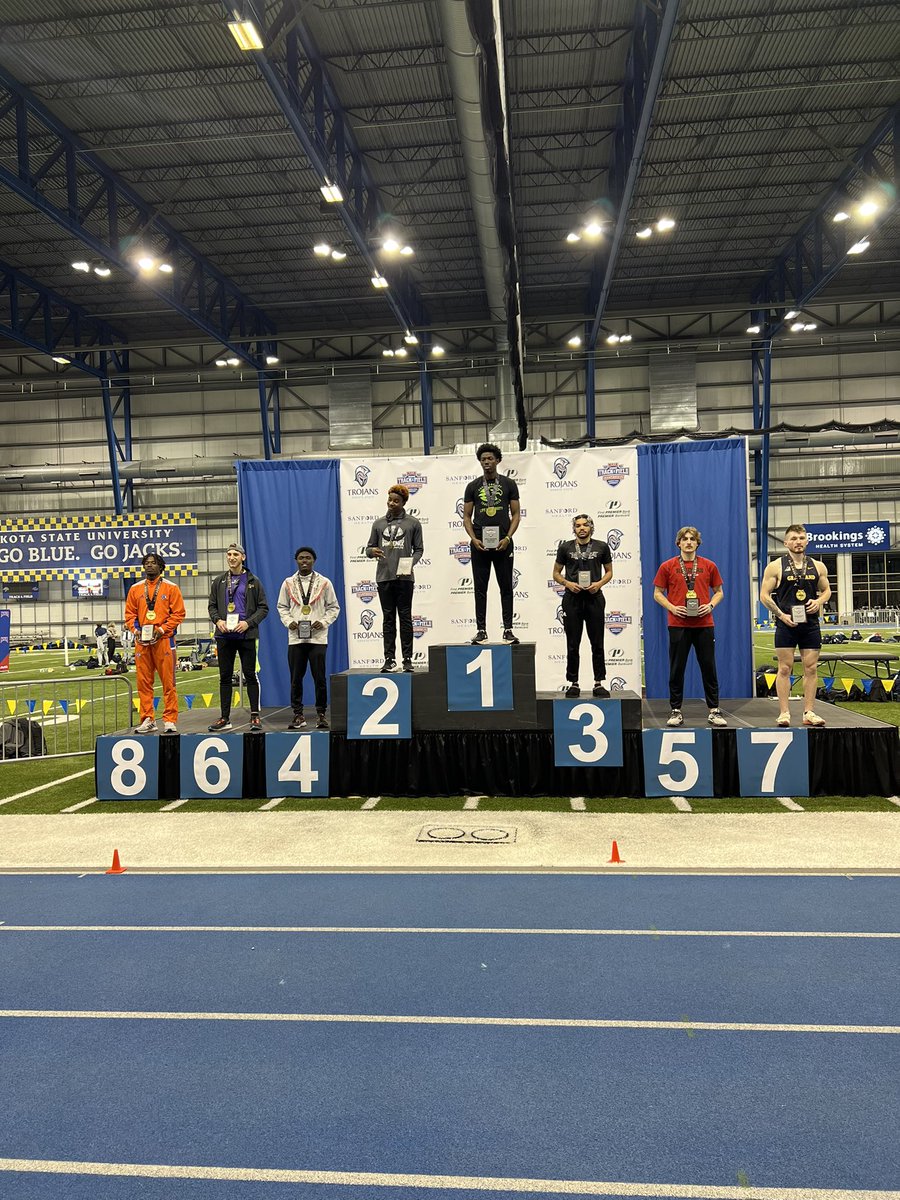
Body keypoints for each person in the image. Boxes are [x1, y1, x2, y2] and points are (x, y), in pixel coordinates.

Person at [653, 526, 727, 727]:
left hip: (704, 623)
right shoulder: (667, 566)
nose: (688, 542)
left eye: (692, 539)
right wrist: (672, 608)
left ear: (697, 543)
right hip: (678, 624)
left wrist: (710, 605)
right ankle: (675, 710)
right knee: (677, 669)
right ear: (678, 543)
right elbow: (657, 593)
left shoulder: (709, 565)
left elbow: (719, 591)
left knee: (709, 668)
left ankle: (714, 710)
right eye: (684, 539)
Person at [759, 523, 831, 727]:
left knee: (811, 668)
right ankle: (784, 713)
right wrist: (781, 615)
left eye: (801, 538)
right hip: (786, 624)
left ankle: (809, 712)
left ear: (807, 540)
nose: (798, 542)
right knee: (784, 668)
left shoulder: (818, 566)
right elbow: (764, 596)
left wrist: (818, 601)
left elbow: (827, 591)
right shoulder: (775, 566)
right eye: (794, 538)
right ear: (786, 542)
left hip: (810, 624)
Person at [207, 542, 269, 733]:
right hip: (224, 635)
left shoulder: (253, 581)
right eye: (229, 554)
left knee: (250, 675)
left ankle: (255, 716)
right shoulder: (219, 581)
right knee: (224, 677)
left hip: (246, 635)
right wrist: (218, 621)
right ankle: (225, 717)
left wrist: (248, 623)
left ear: (243, 557)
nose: (232, 557)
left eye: (235, 554)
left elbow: (263, 608)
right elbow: (212, 606)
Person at [462, 442, 521, 644]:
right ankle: (481, 630)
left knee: (506, 587)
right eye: (483, 459)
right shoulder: (472, 486)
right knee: (480, 588)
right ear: (479, 462)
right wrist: (473, 539)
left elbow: (516, 515)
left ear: (497, 460)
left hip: (503, 543)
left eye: (490, 458)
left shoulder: (509, 484)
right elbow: (467, 517)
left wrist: (508, 538)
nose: (486, 462)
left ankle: (508, 630)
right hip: (480, 544)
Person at [276, 546, 340, 730]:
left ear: (314, 560)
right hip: (296, 638)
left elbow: (334, 607)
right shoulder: (288, 583)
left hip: (318, 638)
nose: (304, 561)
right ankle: (298, 715)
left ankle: (321, 714)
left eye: (308, 558)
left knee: (319, 678)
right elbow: (282, 607)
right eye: (301, 558)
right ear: (296, 560)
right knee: (296, 678)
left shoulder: (324, 582)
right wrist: (289, 622)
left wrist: (324, 621)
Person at [124, 552, 186, 734]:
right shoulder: (135, 589)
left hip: (164, 641)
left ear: (161, 566)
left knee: (168, 682)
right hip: (142, 643)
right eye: (147, 563)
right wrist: (136, 631)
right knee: (143, 682)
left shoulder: (171, 588)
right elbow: (130, 614)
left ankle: (169, 720)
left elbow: (179, 614)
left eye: (153, 563)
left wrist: (161, 630)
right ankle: (148, 719)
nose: (150, 565)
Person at [553, 514, 613, 697]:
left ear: (591, 527)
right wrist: (567, 584)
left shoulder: (602, 546)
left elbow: (609, 572)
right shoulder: (565, 547)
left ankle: (598, 682)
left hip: (594, 598)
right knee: (573, 643)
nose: (581, 528)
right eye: (578, 525)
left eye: (585, 525)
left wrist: (599, 584)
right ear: (574, 528)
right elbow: (556, 573)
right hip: (572, 598)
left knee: (597, 642)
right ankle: (574, 682)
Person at [365, 484, 424, 672]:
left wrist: (410, 563)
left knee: (405, 618)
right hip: (384, 577)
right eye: (390, 499)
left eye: (396, 501)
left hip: (405, 578)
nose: (391, 503)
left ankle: (407, 659)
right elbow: (368, 548)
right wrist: (371, 551)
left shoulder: (413, 523)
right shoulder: (378, 524)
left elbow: (419, 549)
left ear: (404, 502)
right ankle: (389, 659)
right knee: (388, 618)